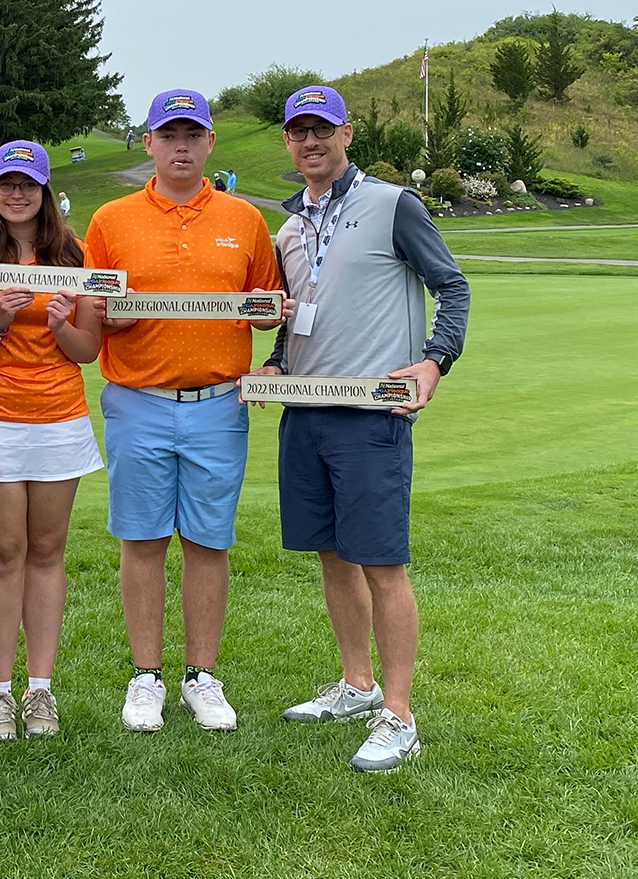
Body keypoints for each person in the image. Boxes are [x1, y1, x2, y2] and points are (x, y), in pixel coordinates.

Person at [257, 85, 469, 772]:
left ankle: (399, 715)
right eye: (299, 132)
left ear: (347, 134)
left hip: (373, 415)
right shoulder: (289, 229)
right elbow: (300, 315)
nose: (310, 142)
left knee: (382, 562)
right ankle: (356, 684)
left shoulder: (391, 204)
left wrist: (434, 362)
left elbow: (453, 285)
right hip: (306, 415)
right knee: (332, 555)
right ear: (288, 143)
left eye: (322, 129)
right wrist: (276, 359)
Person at [86, 89, 284, 735]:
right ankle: (146, 676)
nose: (180, 145)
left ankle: (201, 675)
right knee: (141, 540)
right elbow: (96, 308)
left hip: (218, 403)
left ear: (209, 144)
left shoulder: (245, 219)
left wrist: (269, 316)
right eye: (168, 134)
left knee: (207, 541)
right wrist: (101, 314)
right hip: (137, 400)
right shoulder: (112, 219)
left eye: (191, 134)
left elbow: (268, 299)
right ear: (147, 143)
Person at [0, 140, 104, 741]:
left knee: (47, 551)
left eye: (28, 184)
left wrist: (61, 323)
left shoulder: (72, 255)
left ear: (44, 192)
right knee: (2, 554)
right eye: (6, 184)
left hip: (58, 418)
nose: (17, 194)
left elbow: (88, 351)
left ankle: (40, 691)